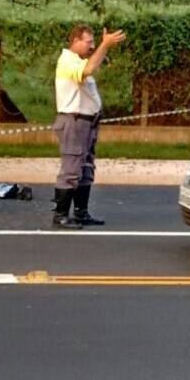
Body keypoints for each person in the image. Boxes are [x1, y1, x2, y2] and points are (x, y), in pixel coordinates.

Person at [51, 24, 126, 229]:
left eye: (94, 42)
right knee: (71, 168)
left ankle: (80, 212)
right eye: (89, 42)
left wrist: (104, 47)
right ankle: (60, 215)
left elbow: (91, 66)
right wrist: (105, 45)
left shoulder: (78, 61)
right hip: (74, 122)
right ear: (75, 41)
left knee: (85, 167)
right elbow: (89, 69)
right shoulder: (67, 60)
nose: (92, 46)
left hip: (87, 122)